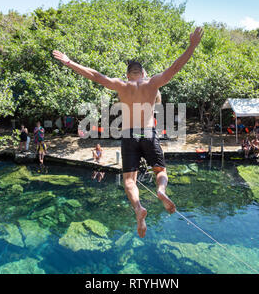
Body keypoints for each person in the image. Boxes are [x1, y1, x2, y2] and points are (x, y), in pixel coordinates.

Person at [52, 27, 204, 238]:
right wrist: (192, 46)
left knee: (129, 181)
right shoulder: (152, 83)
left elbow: (95, 75)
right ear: (143, 73)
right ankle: (161, 191)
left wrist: (69, 62)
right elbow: (175, 68)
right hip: (148, 133)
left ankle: (138, 209)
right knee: (160, 171)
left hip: (130, 135)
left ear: (127, 74)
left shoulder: (121, 85)